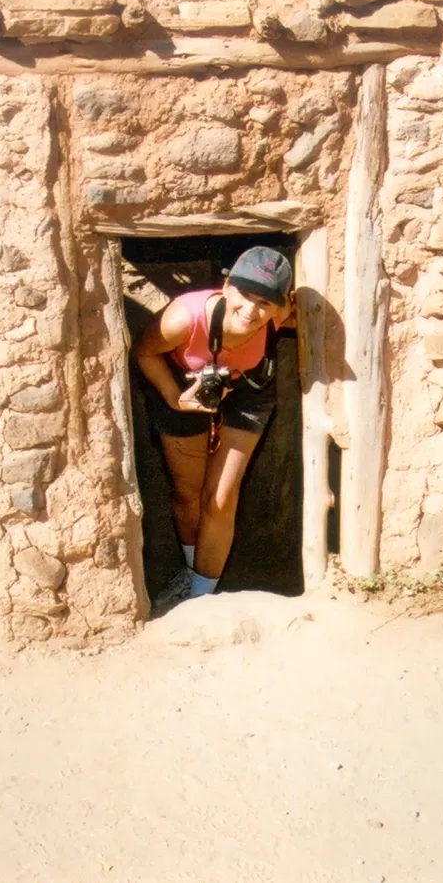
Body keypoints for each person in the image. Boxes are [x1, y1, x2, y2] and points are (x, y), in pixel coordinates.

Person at [133, 245, 294, 610]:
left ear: (278, 306)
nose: (252, 311)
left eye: (265, 303)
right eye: (245, 295)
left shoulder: (281, 312)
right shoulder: (184, 319)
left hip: (248, 390)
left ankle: (200, 600)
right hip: (186, 386)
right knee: (189, 493)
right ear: (227, 287)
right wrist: (175, 398)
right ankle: (193, 576)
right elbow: (144, 352)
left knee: (220, 498)